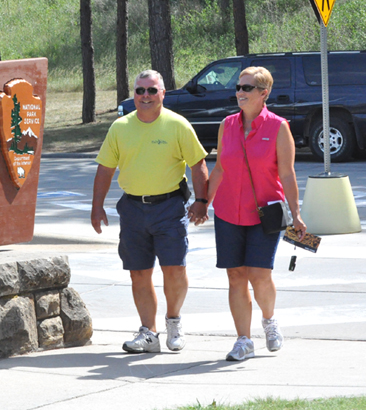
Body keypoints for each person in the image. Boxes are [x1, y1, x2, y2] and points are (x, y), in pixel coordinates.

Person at [91, 69, 209, 354]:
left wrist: (202, 201)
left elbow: (198, 165)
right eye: (140, 90)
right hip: (132, 209)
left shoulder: (177, 125)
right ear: (134, 94)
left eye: (152, 90)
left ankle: (173, 322)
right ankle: (149, 333)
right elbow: (105, 169)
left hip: (169, 207)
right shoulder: (120, 127)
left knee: (175, 269)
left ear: (163, 93)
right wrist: (97, 207)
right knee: (139, 273)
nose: (145, 96)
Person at [205, 66, 307, 361]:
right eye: (238, 87)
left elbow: (287, 175)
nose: (239, 92)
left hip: (266, 213)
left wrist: (297, 214)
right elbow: (221, 168)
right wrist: (204, 202)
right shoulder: (227, 124)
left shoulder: (278, 127)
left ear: (264, 93)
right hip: (228, 212)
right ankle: (243, 340)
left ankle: (269, 320)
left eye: (247, 88)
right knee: (236, 275)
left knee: (259, 275)